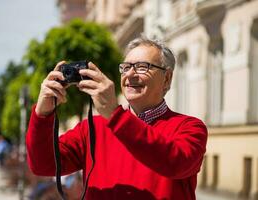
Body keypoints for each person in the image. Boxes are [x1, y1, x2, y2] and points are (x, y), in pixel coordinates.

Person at [26, 36, 208, 200]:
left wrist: (114, 115)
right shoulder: (91, 128)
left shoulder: (190, 127)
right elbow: (43, 165)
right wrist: (42, 115)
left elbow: (174, 163)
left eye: (142, 67)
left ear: (167, 78)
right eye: (126, 67)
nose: (130, 74)